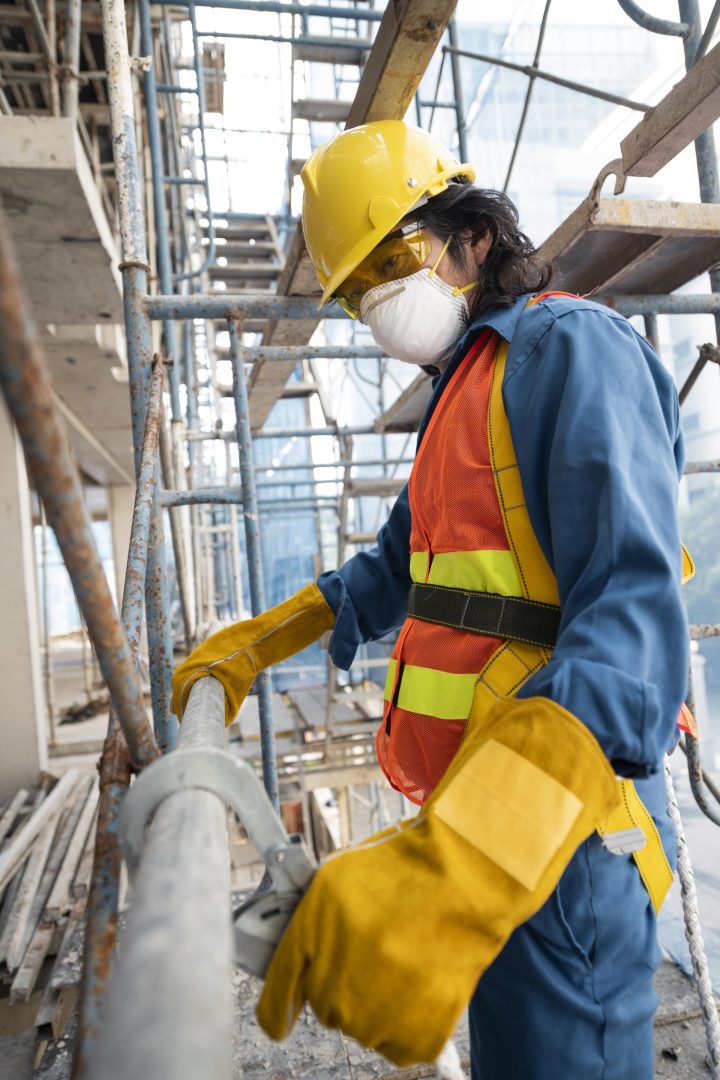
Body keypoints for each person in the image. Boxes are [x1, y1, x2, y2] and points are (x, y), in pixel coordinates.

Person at [172, 121, 691, 1079]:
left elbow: (631, 641)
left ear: (472, 238)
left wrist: (455, 864)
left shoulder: (572, 352)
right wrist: (257, 643)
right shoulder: (468, 390)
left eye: (393, 259)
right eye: (359, 286)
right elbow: (391, 568)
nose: (379, 300)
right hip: (478, 819)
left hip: (557, 837)